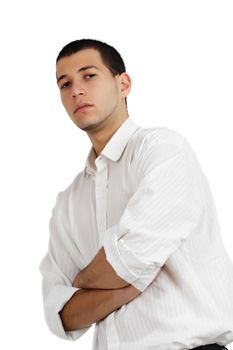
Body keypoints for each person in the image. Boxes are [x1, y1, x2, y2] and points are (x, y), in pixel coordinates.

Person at [39, 39, 233, 350]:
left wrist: (83, 284)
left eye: (89, 76)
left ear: (123, 84)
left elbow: (132, 258)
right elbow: (61, 315)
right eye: (65, 84)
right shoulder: (68, 203)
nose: (76, 90)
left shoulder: (163, 150)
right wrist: (123, 287)